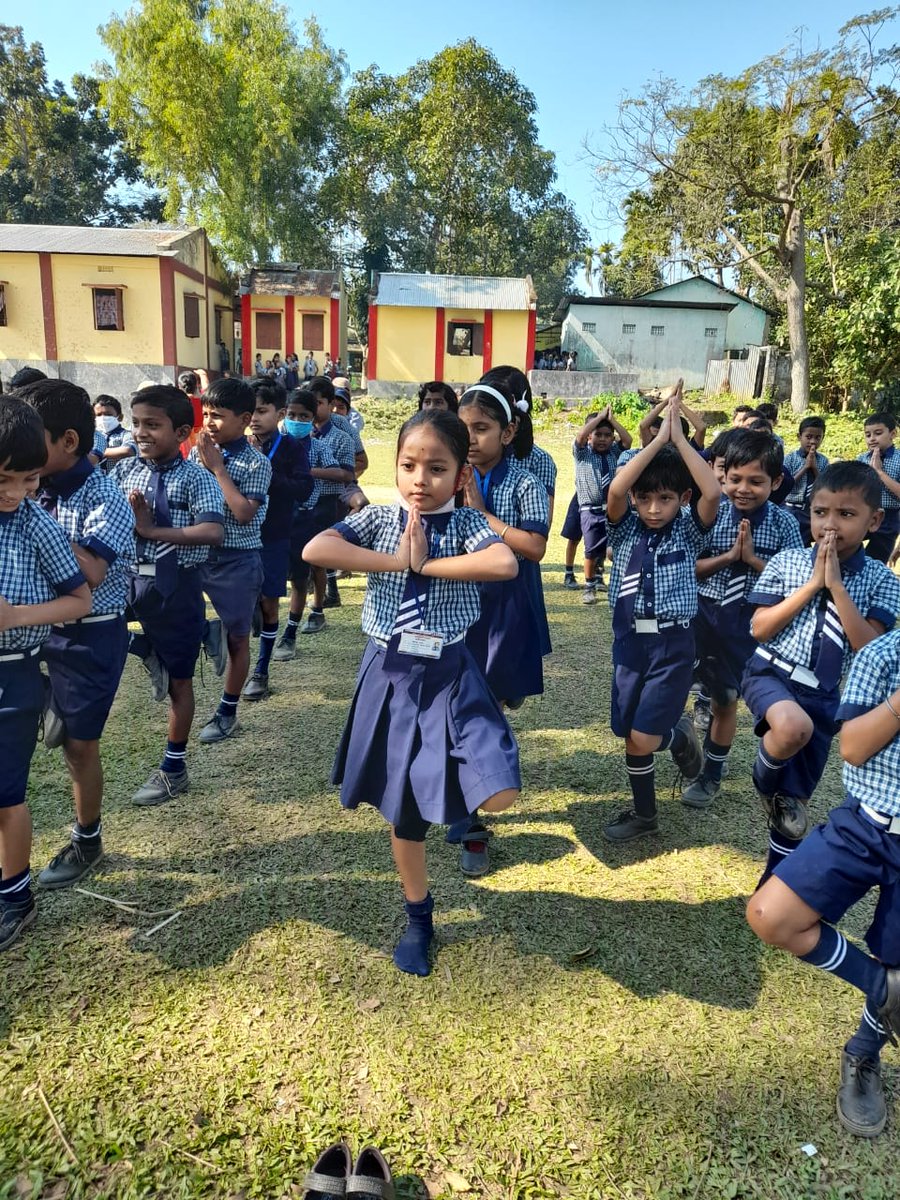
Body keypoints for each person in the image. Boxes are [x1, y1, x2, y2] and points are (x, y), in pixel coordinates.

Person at [303, 409, 521, 977]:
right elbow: (316, 551)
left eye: (437, 468)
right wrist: (399, 560)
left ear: (460, 476)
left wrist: (431, 564)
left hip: (450, 670)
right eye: (408, 465)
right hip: (390, 670)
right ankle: (418, 916)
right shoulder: (379, 520)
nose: (420, 479)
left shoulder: (470, 526)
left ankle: (454, 800)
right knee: (403, 813)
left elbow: (503, 562)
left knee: (499, 791)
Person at [746, 629, 900, 1138]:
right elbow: (852, 747)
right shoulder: (884, 653)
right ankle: (885, 989)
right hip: (867, 824)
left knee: (899, 953)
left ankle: (863, 1053)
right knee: (771, 915)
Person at [741, 461, 900, 886]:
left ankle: (772, 882)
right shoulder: (788, 562)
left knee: (794, 810)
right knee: (793, 727)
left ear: (875, 520)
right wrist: (812, 585)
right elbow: (759, 628)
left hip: (826, 694)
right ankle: (762, 780)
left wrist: (837, 588)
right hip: (771, 673)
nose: (830, 525)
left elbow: (870, 648)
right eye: (820, 512)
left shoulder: (884, 581)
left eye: (846, 515)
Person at [17, 380, 134, 888]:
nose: (20, 454)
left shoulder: (106, 495)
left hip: (90, 636)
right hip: (31, 632)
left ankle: (88, 839)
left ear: (68, 441)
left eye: (31, 439)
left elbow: (91, 571)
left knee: (80, 747)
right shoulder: (29, 486)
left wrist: (31, 518)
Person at [602, 383, 720, 842]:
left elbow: (710, 490)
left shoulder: (689, 533)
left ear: (681, 500)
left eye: (666, 499)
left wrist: (681, 439)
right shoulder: (624, 529)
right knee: (629, 733)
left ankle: (673, 749)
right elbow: (616, 487)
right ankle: (658, 779)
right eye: (646, 499)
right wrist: (656, 440)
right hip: (630, 643)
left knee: (642, 738)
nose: (654, 508)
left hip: (672, 645)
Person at [0, 398, 92, 951]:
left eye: (28, 479)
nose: (14, 493)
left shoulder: (38, 526)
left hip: (12, 677)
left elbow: (79, 600)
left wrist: (16, 618)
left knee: (6, 794)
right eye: (2, 480)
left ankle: (16, 899)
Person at [113, 386, 225, 805]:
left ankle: (173, 768)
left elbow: (213, 531)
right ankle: (155, 645)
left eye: (152, 425)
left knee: (179, 678)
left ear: (181, 432)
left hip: (176, 583)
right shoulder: (124, 473)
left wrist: (152, 530)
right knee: (98, 635)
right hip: (128, 577)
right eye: (136, 423)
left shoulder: (196, 477)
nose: (141, 433)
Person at [456, 380, 549, 874]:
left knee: (485, 703)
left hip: (505, 609)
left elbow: (534, 547)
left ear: (508, 431)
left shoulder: (524, 482)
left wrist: (481, 515)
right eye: (463, 427)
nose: (470, 438)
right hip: (457, 603)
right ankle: (467, 813)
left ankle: (472, 810)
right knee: (463, 703)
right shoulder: (450, 472)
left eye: (482, 428)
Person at [682, 431, 803, 810]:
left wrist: (751, 561)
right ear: (722, 476)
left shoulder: (784, 525)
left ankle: (711, 775)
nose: (743, 489)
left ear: (777, 482)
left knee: (726, 699)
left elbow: (794, 584)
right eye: (735, 479)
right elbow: (686, 569)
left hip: (749, 624)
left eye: (756, 481)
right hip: (700, 613)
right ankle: (681, 743)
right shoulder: (708, 512)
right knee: (673, 687)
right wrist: (727, 557)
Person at [188, 378, 271, 741]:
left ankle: (227, 711)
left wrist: (218, 469)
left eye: (218, 416)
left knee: (238, 640)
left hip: (237, 560)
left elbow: (242, 514)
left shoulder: (256, 463)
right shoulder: (196, 454)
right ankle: (210, 632)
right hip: (198, 554)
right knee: (179, 622)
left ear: (244, 419)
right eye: (206, 414)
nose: (209, 423)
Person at [242, 379, 313, 701]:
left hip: (274, 534)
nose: (254, 418)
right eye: (249, 412)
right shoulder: (237, 445)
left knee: (271, 601)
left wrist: (265, 470)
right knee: (247, 601)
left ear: (279, 413)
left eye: (261, 411)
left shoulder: (291, 448)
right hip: (240, 537)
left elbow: (304, 488)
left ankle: (261, 669)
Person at [272, 390, 353, 661]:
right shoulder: (274, 445)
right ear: (283, 414)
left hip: (310, 514)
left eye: (303, 416)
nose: (296, 420)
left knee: (306, 571)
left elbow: (342, 473)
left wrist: (307, 472)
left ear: (312, 418)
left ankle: (293, 630)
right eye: (292, 415)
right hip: (277, 519)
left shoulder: (318, 447)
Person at [303, 376, 369, 608]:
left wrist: (344, 478)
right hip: (305, 497)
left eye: (319, 403)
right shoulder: (300, 424)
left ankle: (330, 590)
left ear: (330, 404)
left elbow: (361, 462)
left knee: (329, 540)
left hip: (335, 491)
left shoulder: (343, 429)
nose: (313, 408)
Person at [571, 406, 632, 603]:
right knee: (590, 549)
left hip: (613, 509)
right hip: (590, 510)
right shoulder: (583, 454)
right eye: (598, 434)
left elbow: (628, 440)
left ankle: (602, 578)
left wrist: (612, 420)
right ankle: (589, 586)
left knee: (610, 548)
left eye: (608, 435)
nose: (603, 439)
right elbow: (580, 437)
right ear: (590, 436)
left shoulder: (615, 453)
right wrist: (597, 419)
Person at [858, 412, 900, 562]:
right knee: (847, 551)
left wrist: (879, 472)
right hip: (863, 512)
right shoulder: (862, 458)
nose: (872, 438)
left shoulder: (898, 459)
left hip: (889, 518)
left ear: (893, 434)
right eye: (868, 435)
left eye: (878, 433)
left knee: (876, 560)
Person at [782, 417, 828, 545]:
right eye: (808, 437)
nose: (813, 442)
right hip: (790, 509)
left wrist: (814, 468)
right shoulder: (790, 459)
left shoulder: (823, 461)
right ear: (799, 436)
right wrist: (805, 467)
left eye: (817, 438)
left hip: (810, 511)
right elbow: (785, 484)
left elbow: (825, 486)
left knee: (805, 543)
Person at [94, 395, 137, 471]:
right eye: (99, 415)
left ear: (120, 417)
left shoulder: (126, 435)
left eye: (108, 414)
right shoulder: (92, 436)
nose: (103, 418)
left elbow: (128, 451)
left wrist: (97, 453)